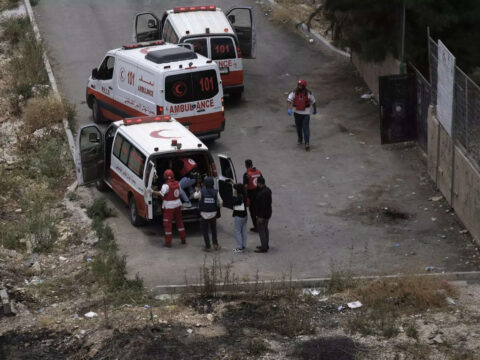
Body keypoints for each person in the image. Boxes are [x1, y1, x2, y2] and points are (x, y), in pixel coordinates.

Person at [151, 169, 186, 247]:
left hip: (168, 207)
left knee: (167, 225)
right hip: (177, 205)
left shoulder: (165, 186)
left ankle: (168, 242)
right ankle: (183, 239)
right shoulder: (178, 183)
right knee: (180, 222)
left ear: (165, 177)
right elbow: (179, 193)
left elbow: (161, 194)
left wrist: (152, 191)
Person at [193, 177, 223, 252]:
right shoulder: (216, 192)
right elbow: (221, 202)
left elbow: (195, 196)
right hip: (213, 214)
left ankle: (208, 246)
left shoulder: (201, 191)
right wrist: (218, 207)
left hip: (204, 215)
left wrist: (196, 190)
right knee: (213, 230)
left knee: (205, 231)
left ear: (205, 184)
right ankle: (215, 244)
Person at [287, 79, 317, 151]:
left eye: (301, 85)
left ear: (304, 86)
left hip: (305, 114)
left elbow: (313, 102)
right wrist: (289, 109)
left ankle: (307, 143)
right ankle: (300, 138)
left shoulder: (309, 93)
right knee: (299, 127)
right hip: (297, 113)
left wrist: (315, 109)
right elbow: (289, 101)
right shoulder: (294, 92)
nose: (300, 86)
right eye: (299, 85)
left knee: (305, 128)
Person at [243, 159, 262, 232]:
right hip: (260, 194)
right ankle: (262, 225)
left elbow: (245, 187)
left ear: (246, 165)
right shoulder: (258, 172)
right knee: (259, 209)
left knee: (253, 212)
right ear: (252, 164)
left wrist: (245, 197)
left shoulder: (246, 174)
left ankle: (256, 227)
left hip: (251, 195)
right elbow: (262, 181)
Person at [254, 177, 272, 253]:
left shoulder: (261, 194)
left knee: (261, 230)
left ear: (259, 183)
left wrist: (260, 216)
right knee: (265, 229)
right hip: (268, 213)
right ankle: (266, 244)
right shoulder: (268, 190)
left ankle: (264, 247)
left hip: (262, 215)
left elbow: (262, 206)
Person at [232, 183, 248, 253]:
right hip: (244, 215)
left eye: (235, 189)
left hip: (238, 216)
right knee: (243, 230)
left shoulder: (238, 197)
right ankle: (243, 245)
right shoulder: (244, 195)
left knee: (237, 231)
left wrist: (234, 195)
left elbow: (233, 203)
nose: (234, 190)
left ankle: (239, 247)